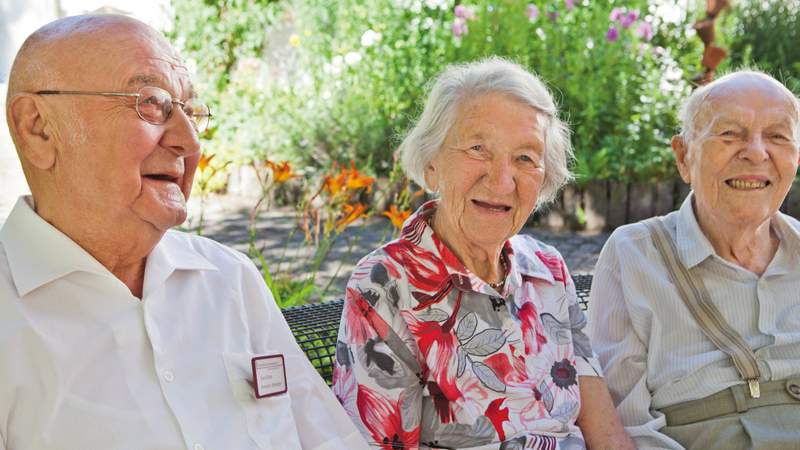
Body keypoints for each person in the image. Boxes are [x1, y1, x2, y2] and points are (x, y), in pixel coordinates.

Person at [0, 15, 368, 450]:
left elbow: (327, 439)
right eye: (151, 104)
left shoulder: (228, 278)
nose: (189, 142)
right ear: (38, 129)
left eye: (190, 112)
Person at [332, 57, 634, 449]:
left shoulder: (548, 270)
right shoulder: (385, 284)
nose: (502, 179)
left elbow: (604, 431)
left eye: (525, 158)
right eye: (478, 148)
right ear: (431, 164)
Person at [587, 70, 800, 449]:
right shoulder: (634, 254)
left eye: (777, 136)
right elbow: (627, 427)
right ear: (684, 157)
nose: (756, 152)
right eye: (729, 134)